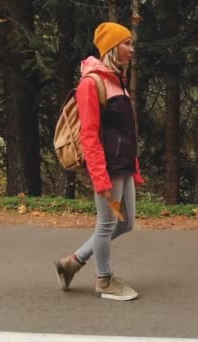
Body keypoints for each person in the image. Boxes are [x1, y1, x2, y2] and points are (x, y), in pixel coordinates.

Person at [54, 22, 142, 301]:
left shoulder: (118, 81)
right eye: (126, 43)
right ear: (112, 47)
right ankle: (104, 281)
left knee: (125, 223)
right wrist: (100, 177)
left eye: (131, 42)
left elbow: (125, 130)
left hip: (123, 166)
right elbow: (89, 135)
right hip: (108, 168)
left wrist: (134, 168)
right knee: (106, 224)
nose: (132, 48)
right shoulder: (91, 84)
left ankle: (72, 262)